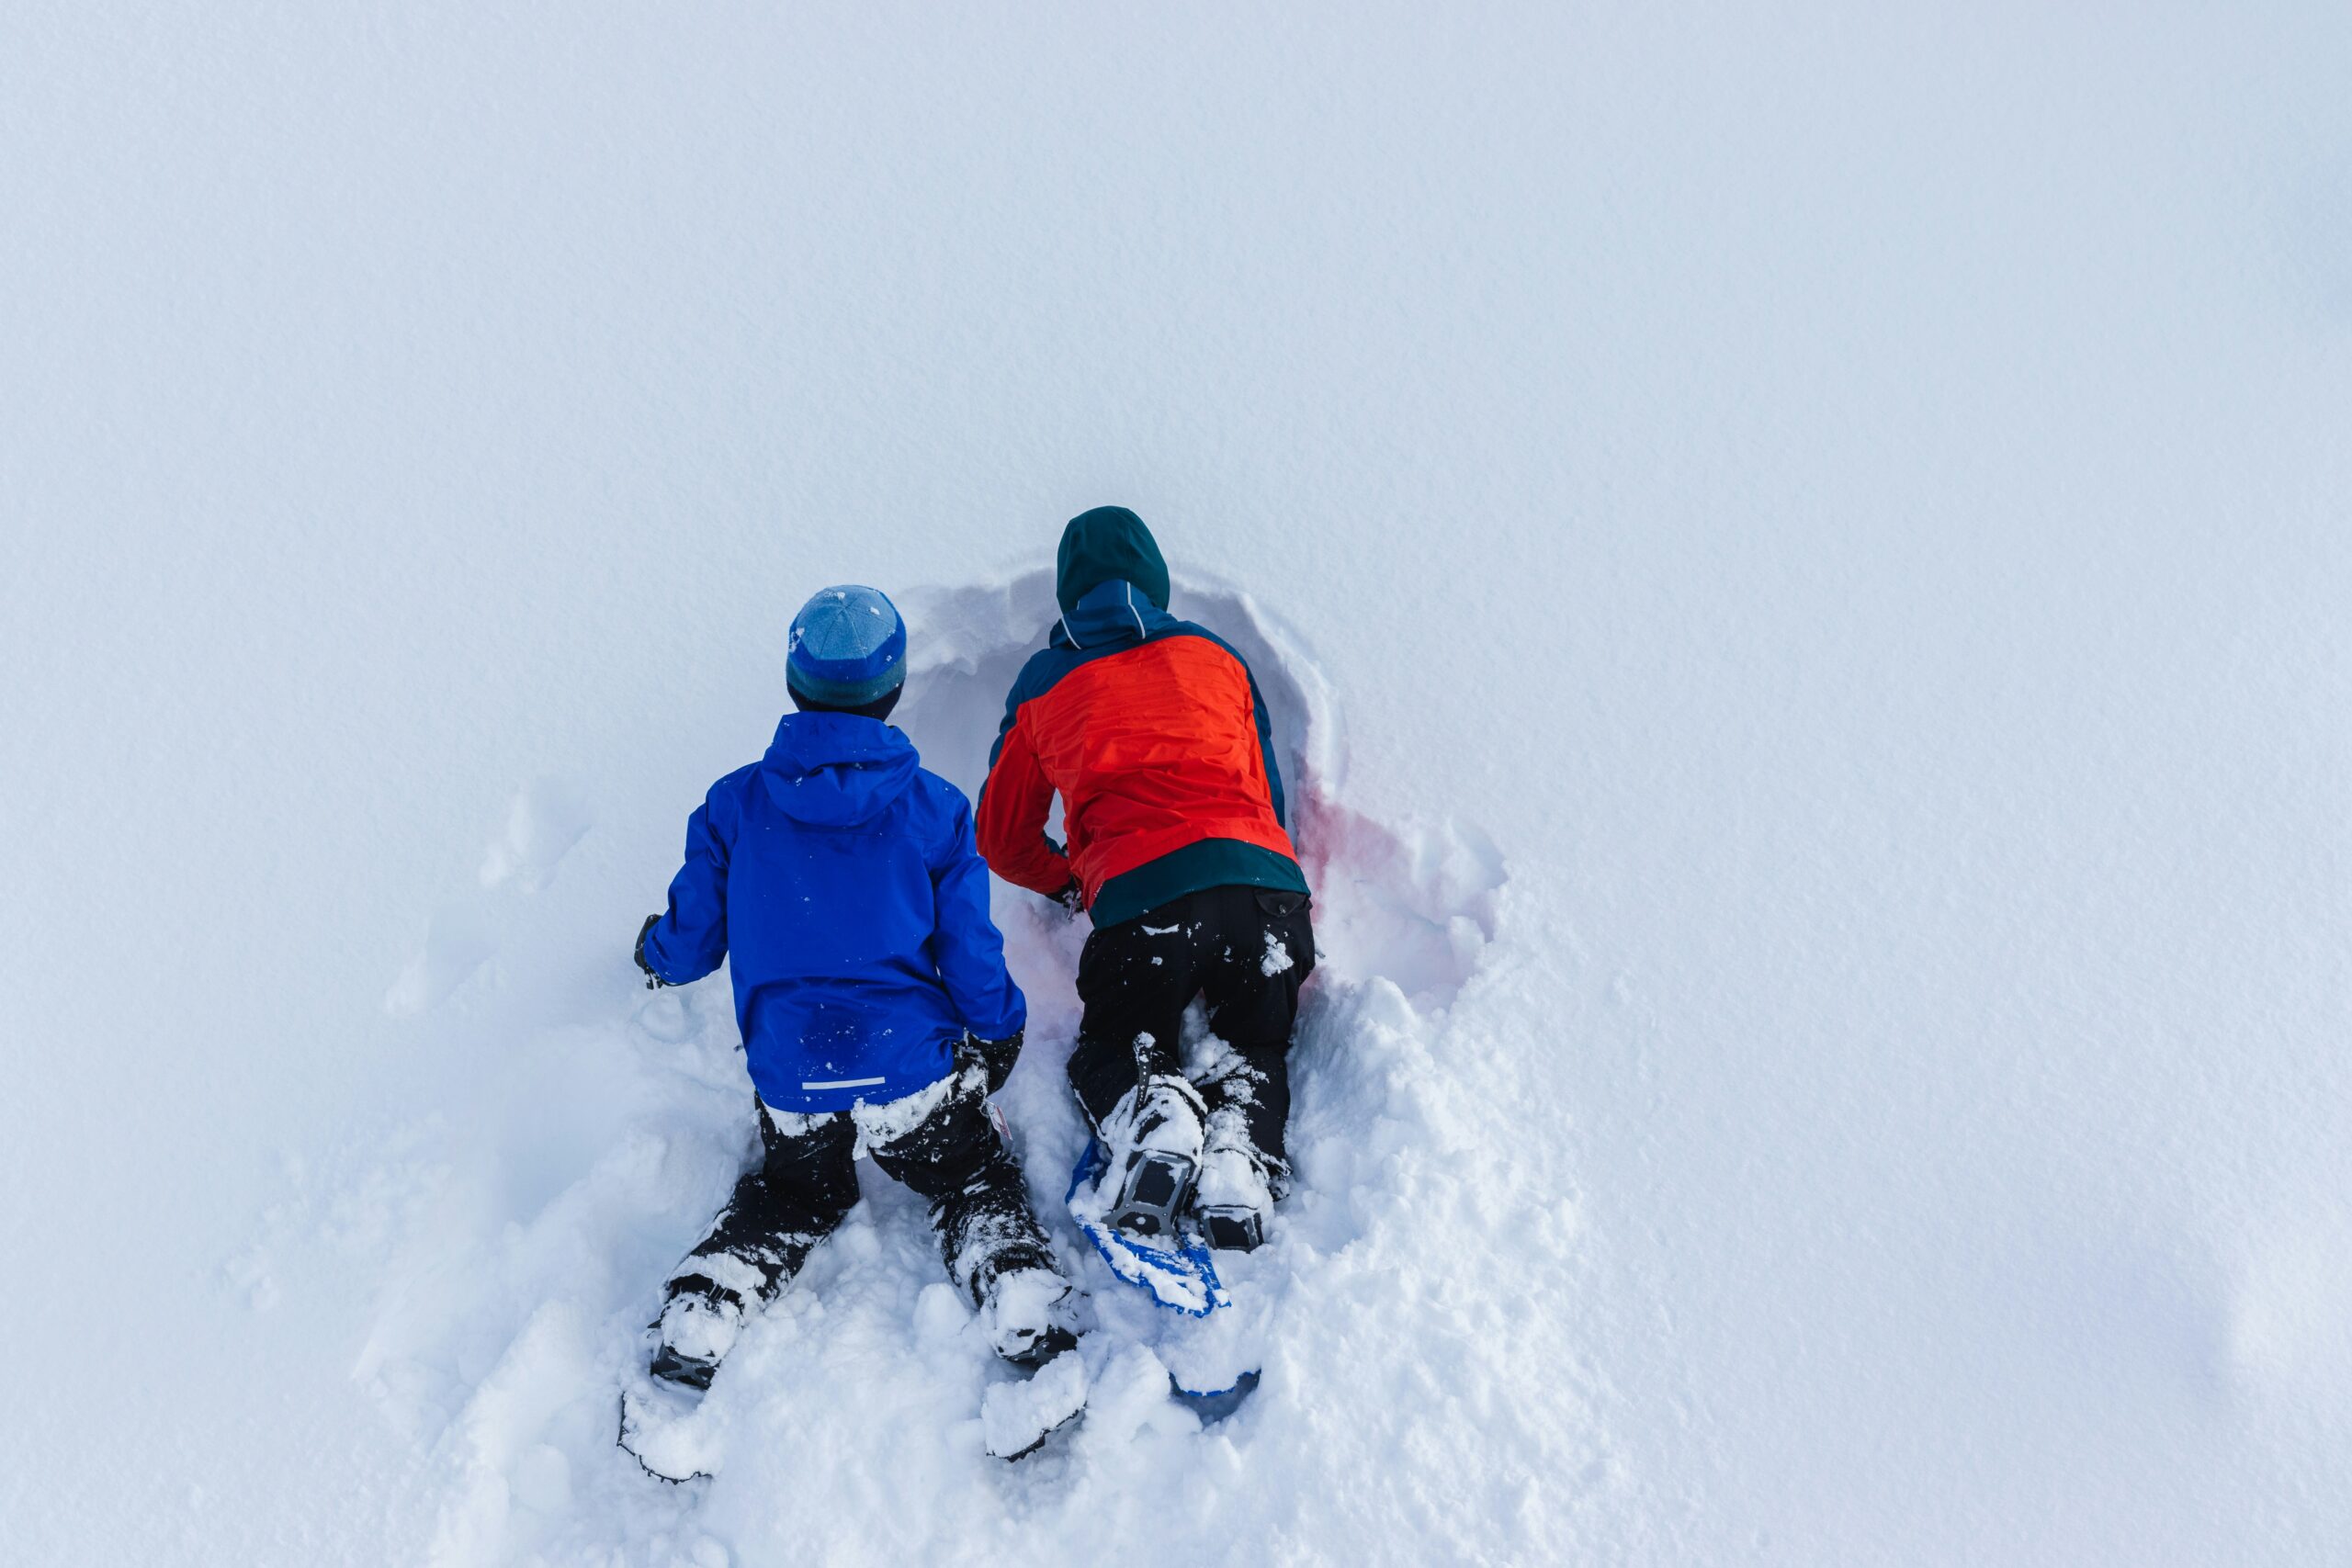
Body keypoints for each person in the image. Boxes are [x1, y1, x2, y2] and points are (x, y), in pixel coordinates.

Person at [632, 585, 1078, 1395]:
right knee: (971, 1175)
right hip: (910, 1074)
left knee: (795, 1194)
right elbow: (971, 950)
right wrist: (1000, 1023)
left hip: (792, 1078)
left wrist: (655, 953)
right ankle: (1012, 1284)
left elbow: (691, 942)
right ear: (894, 687)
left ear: (795, 683)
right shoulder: (935, 811)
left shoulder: (735, 805)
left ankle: (712, 1298)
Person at [977, 507, 1316, 1253]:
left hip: (1143, 906)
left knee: (1114, 1046)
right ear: (1155, 582)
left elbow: (1000, 838)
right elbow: (1270, 798)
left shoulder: (1045, 682)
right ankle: (1237, 1160)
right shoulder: (1218, 657)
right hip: (1265, 890)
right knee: (1253, 1047)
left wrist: (1074, 882)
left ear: (1069, 596)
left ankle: (1154, 1112)